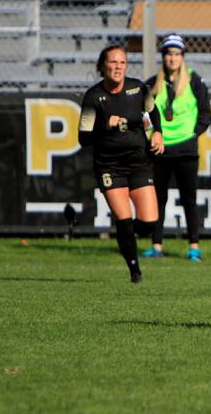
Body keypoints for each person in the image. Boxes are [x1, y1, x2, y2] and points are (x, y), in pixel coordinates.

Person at [78, 45, 165, 283]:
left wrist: (158, 133)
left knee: (148, 223)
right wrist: (103, 126)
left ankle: (125, 237)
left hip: (139, 163)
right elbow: (83, 138)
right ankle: (134, 270)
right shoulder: (94, 97)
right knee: (124, 219)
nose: (118, 67)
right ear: (102, 66)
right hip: (109, 166)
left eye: (122, 63)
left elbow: (153, 112)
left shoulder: (138, 88)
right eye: (113, 62)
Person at [142, 35, 211, 261]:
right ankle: (156, 245)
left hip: (186, 150)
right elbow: (144, 116)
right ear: (163, 57)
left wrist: (193, 135)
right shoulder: (153, 83)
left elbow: (205, 113)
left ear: (182, 57)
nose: (172, 58)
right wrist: (153, 136)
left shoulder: (195, 81)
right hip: (160, 149)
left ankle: (193, 246)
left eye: (176, 53)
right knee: (158, 199)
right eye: (168, 53)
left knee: (189, 199)